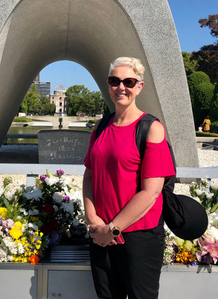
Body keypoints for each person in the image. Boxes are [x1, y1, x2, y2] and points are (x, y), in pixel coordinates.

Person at [83, 57, 175, 299]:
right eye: (115, 81)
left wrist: (113, 229)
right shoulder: (101, 127)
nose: (121, 87)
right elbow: (89, 175)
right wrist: (93, 219)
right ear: (108, 84)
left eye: (129, 81)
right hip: (101, 233)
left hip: (138, 236)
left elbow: (151, 191)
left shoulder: (151, 128)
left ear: (139, 86)